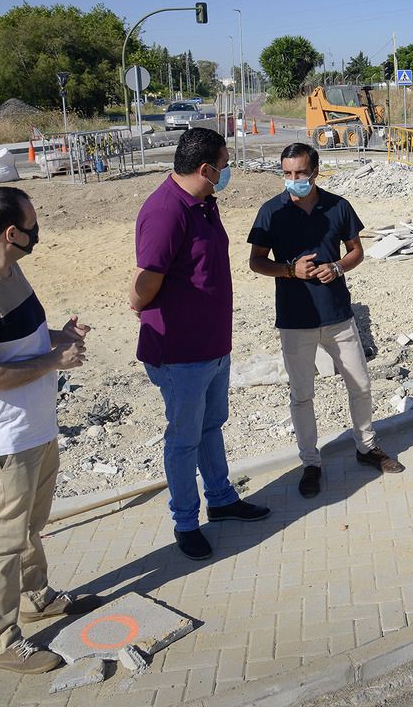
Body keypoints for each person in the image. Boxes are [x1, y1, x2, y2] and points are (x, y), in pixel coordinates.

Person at [0, 186, 100, 674]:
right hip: (2, 441)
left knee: (29, 527)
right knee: (2, 541)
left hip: (35, 429)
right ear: (12, 233)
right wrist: (56, 359)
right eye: (32, 222)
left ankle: (36, 596)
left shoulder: (9, 271)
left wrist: (58, 339)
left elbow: (21, 341)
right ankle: (0, 640)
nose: (37, 230)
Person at [131, 128, 270, 562]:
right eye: (224, 166)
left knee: (211, 427)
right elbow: (145, 283)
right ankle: (186, 522)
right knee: (184, 438)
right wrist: (139, 305)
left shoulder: (204, 202)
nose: (228, 172)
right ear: (206, 168)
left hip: (212, 346)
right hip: (180, 354)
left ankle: (222, 499)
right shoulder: (166, 211)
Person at [247, 142, 404, 499]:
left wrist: (336, 267)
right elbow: (256, 262)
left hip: (337, 314)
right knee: (302, 395)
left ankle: (366, 447)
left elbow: (356, 251)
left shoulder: (339, 206)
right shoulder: (270, 212)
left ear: (315, 171)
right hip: (294, 319)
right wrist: (289, 270)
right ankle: (310, 463)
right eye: (286, 173)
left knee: (361, 384)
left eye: (300, 173)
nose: (293, 180)